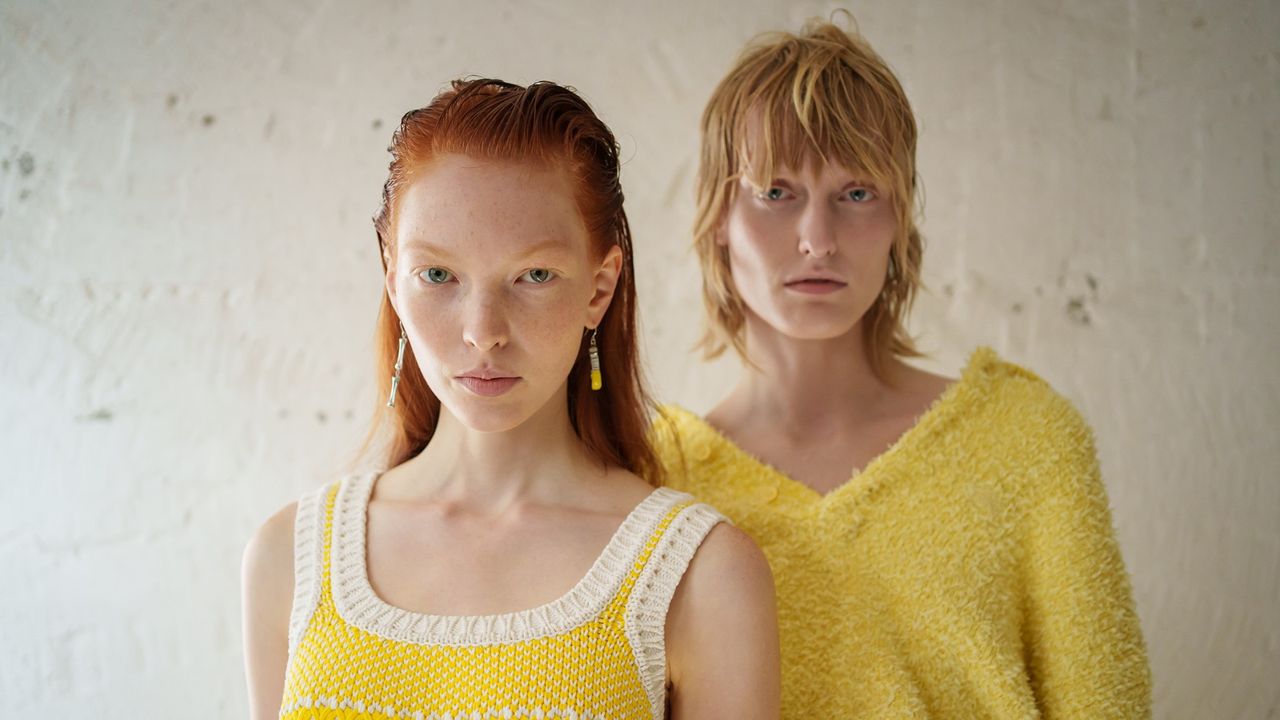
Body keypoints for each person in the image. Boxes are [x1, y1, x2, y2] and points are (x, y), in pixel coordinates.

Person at [651, 20, 1151, 718]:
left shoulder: (1029, 440)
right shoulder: (659, 481)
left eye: (856, 193)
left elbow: (1107, 704)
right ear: (718, 222)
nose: (818, 240)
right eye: (777, 191)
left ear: (900, 222)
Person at [242, 78, 780, 720]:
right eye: (437, 275)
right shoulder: (290, 560)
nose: (482, 331)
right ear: (392, 279)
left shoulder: (701, 573)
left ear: (599, 288)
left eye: (533, 276)